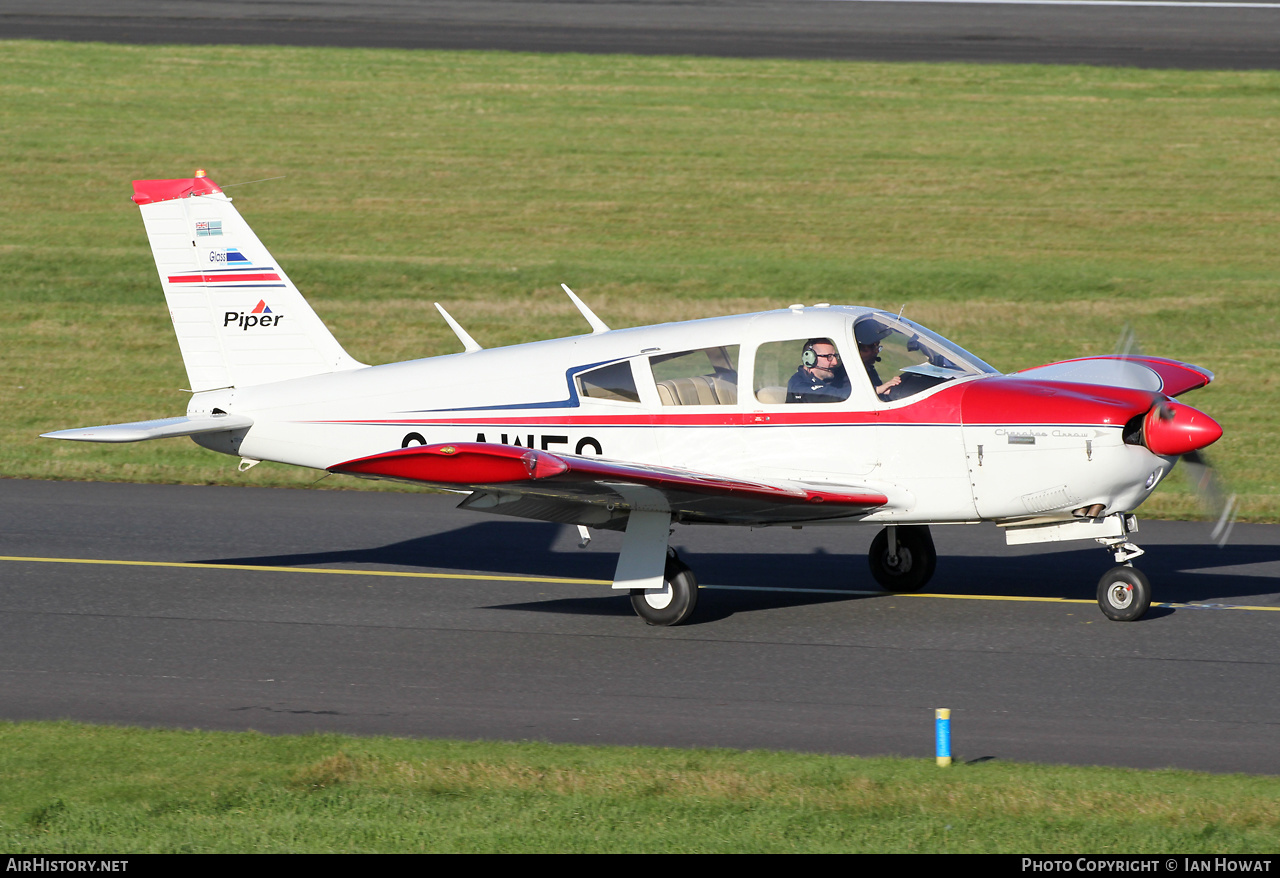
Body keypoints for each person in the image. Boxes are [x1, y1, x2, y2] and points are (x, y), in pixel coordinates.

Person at [786, 338, 851, 403]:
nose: (835, 362)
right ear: (810, 359)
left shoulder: (832, 377)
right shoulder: (799, 385)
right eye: (829, 356)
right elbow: (829, 396)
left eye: (835, 356)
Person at [855, 321, 902, 398]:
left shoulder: (869, 368)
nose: (876, 351)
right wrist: (877, 389)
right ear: (858, 351)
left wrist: (887, 390)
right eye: (872, 348)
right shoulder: (846, 372)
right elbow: (848, 392)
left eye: (877, 347)